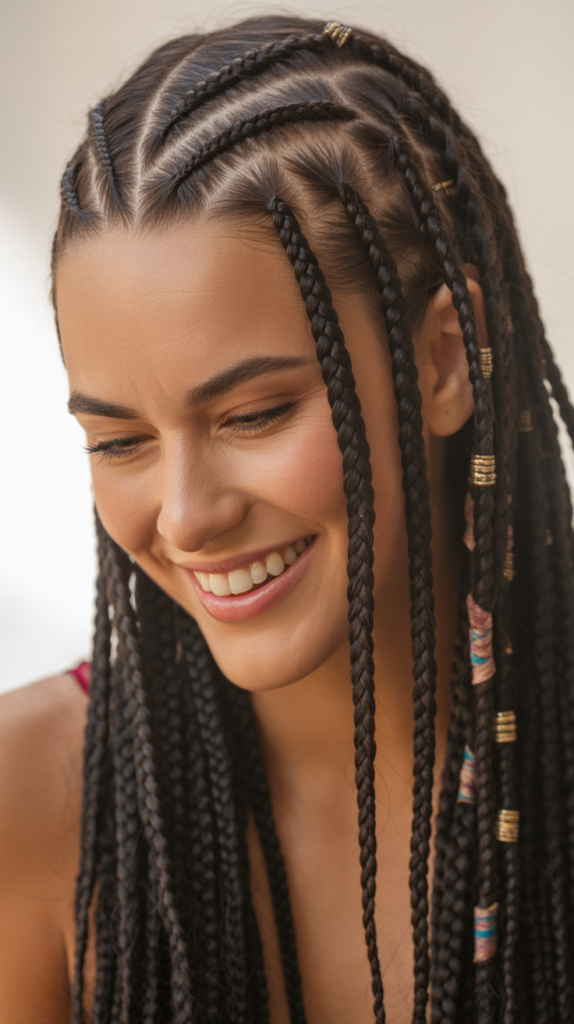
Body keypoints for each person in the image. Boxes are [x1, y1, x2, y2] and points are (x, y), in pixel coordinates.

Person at [1, 14, 572, 1023]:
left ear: (447, 356)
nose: (185, 516)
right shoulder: (28, 804)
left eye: (254, 414)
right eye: (120, 440)